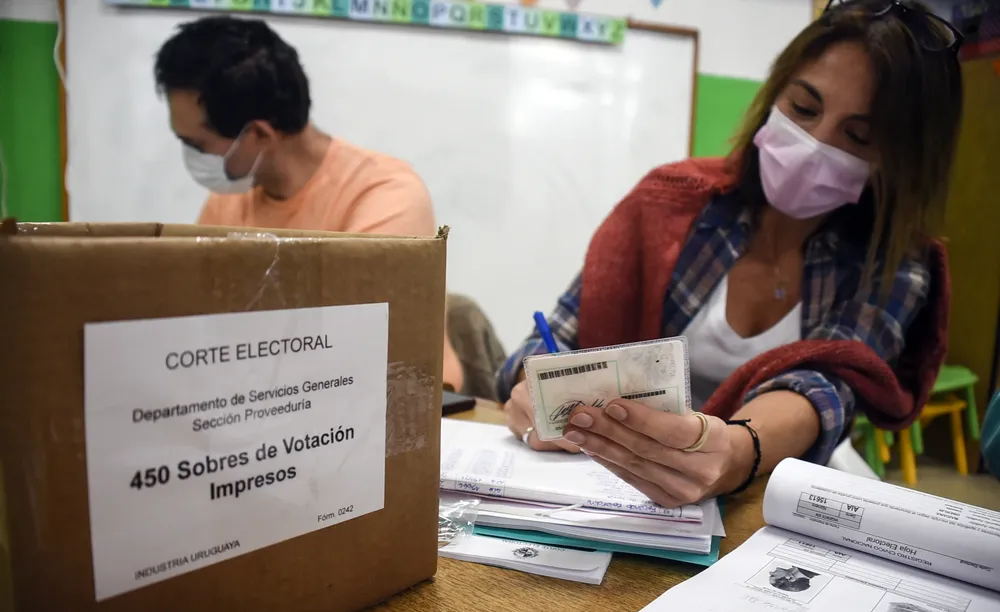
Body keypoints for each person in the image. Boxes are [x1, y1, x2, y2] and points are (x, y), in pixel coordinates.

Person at [499, 0, 963, 507]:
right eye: (803, 108)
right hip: (615, 492)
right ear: (773, 94)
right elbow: (551, 341)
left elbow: (826, 386)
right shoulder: (667, 204)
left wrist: (736, 451)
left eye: (857, 137)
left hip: (778, 493)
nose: (813, 144)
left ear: (899, 162)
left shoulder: (896, 262)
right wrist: (537, 393)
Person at [154, 15, 463, 391]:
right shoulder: (226, 203)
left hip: (394, 408)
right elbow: (198, 324)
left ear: (258, 134)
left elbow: (347, 358)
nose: (190, 156)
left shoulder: (385, 194)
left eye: (196, 145)